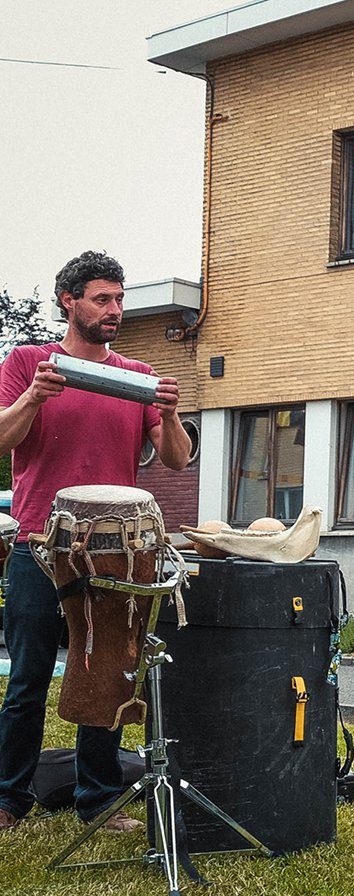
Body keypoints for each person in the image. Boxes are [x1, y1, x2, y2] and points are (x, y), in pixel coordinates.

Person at [0, 251, 189, 832]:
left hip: (114, 551)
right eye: (102, 299)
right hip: (39, 544)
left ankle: (98, 801)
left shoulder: (134, 376)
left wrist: (171, 414)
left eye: (120, 298)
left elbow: (177, 460)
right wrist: (34, 397)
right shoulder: (30, 362)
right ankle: (8, 800)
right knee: (28, 678)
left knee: (105, 674)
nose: (115, 309)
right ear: (69, 301)